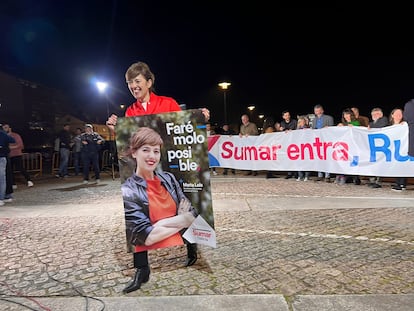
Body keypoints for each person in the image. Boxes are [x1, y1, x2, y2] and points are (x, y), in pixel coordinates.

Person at [105, 61, 209, 294]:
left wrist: (201, 117)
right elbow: (129, 144)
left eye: (137, 82)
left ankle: (191, 247)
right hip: (143, 173)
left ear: (149, 82)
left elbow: (186, 128)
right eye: (129, 83)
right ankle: (142, 270)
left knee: (180, 205)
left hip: (171, 167)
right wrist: (116, 130)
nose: (133, 86)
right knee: (139, 216)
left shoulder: (167, 103)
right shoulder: (131, 111)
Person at [121, 127, 197, 293]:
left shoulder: (168, 178)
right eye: (145, 150)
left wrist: (161, 224)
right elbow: (146, 237)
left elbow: (192, 213)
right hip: (154, 239)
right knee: (138, 236)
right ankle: (142, 270)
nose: (152, 156)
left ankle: (192, 251)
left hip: (176, 236)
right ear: (134, 153)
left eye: (156, 151)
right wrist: (182, 218)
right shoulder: (129, 189)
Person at [2, 123, 34, 188]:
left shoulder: (16, 135)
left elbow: (20, 145)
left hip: (16, 154)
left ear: (9, 128)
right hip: (8, 155)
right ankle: (13, 183)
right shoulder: (3, 136)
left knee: (20, 168)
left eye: (6, 127)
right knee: (10, 170)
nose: (5, 129)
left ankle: (29, 180)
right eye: (4, 128)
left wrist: (10, 147)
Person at [335, 108, 361, 185]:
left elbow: (358, 130)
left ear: (351, 114)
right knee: (344, 161)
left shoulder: (356, 122)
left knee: (354, 162)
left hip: (354, 146)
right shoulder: (343, 124)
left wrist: (348, 126)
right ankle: (343, 176)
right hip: (345, 146)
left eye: (347, 114)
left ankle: (356, 178)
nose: (346, 116)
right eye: (344, 114)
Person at [311, 104, 334, 182]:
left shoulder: (329, 118)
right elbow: (313, 129)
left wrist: (327, 129)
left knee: (326, 157)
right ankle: (320, 175)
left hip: (326, 141)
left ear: (322, 110)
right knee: (319, 157)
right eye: (315, 111)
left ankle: (327, 176)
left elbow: (332, 128)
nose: (317, 112)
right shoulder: (314, 120)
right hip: (317, 141)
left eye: (318, 110)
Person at [367, 107, 389, 188]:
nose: (375, 115)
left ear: (381, 114)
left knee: (380, 164)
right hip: (374, 147)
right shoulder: (371, 123)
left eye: (377, 114)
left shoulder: (384, 119)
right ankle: (372, 181)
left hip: (382, 146)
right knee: (372, 163)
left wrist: (371, 128)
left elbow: (381, 126)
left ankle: (378, 182)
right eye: (373, 114)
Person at [389, 108, 407, 192]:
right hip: (393, 149)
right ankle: (398, 182)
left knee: (402, 165)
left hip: (402, 148)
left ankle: (402, 184)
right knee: (396, 166)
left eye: (400, 113)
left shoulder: (404, 124)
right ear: (392, 115)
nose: (398, 115)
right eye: (396, 113)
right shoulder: (389, 127)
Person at [0, 124, 15, 206]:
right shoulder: (3, 134)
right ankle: (4, 196)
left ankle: (4, 196)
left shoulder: (3, 134)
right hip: (3, 156)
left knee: (3, 178)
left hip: (3, 157)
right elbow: (12, 141)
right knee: (3, 178)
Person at [280, 110, 297, 179]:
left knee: (295, 157)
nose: (287, 116)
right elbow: (282, 131)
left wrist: (291, 131)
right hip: (286, 143)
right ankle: (289, 173)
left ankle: (296, 173)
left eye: (288, 115)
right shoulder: (282, 123)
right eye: (286, 115)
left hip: (294, 142)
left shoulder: (294, 122)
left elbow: (297, 130)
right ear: (283, 117)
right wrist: (282, 130)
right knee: (288, 158)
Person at [296, 116, 311, 181]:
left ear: (304, 122)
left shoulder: (308, 128)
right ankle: (300, 175)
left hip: (306, 147)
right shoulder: (297, 130)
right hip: (299, 147)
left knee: (306, 162)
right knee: (299, 162)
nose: (300, 123)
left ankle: (307, 176)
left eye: (302, 121)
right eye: (299, 122)